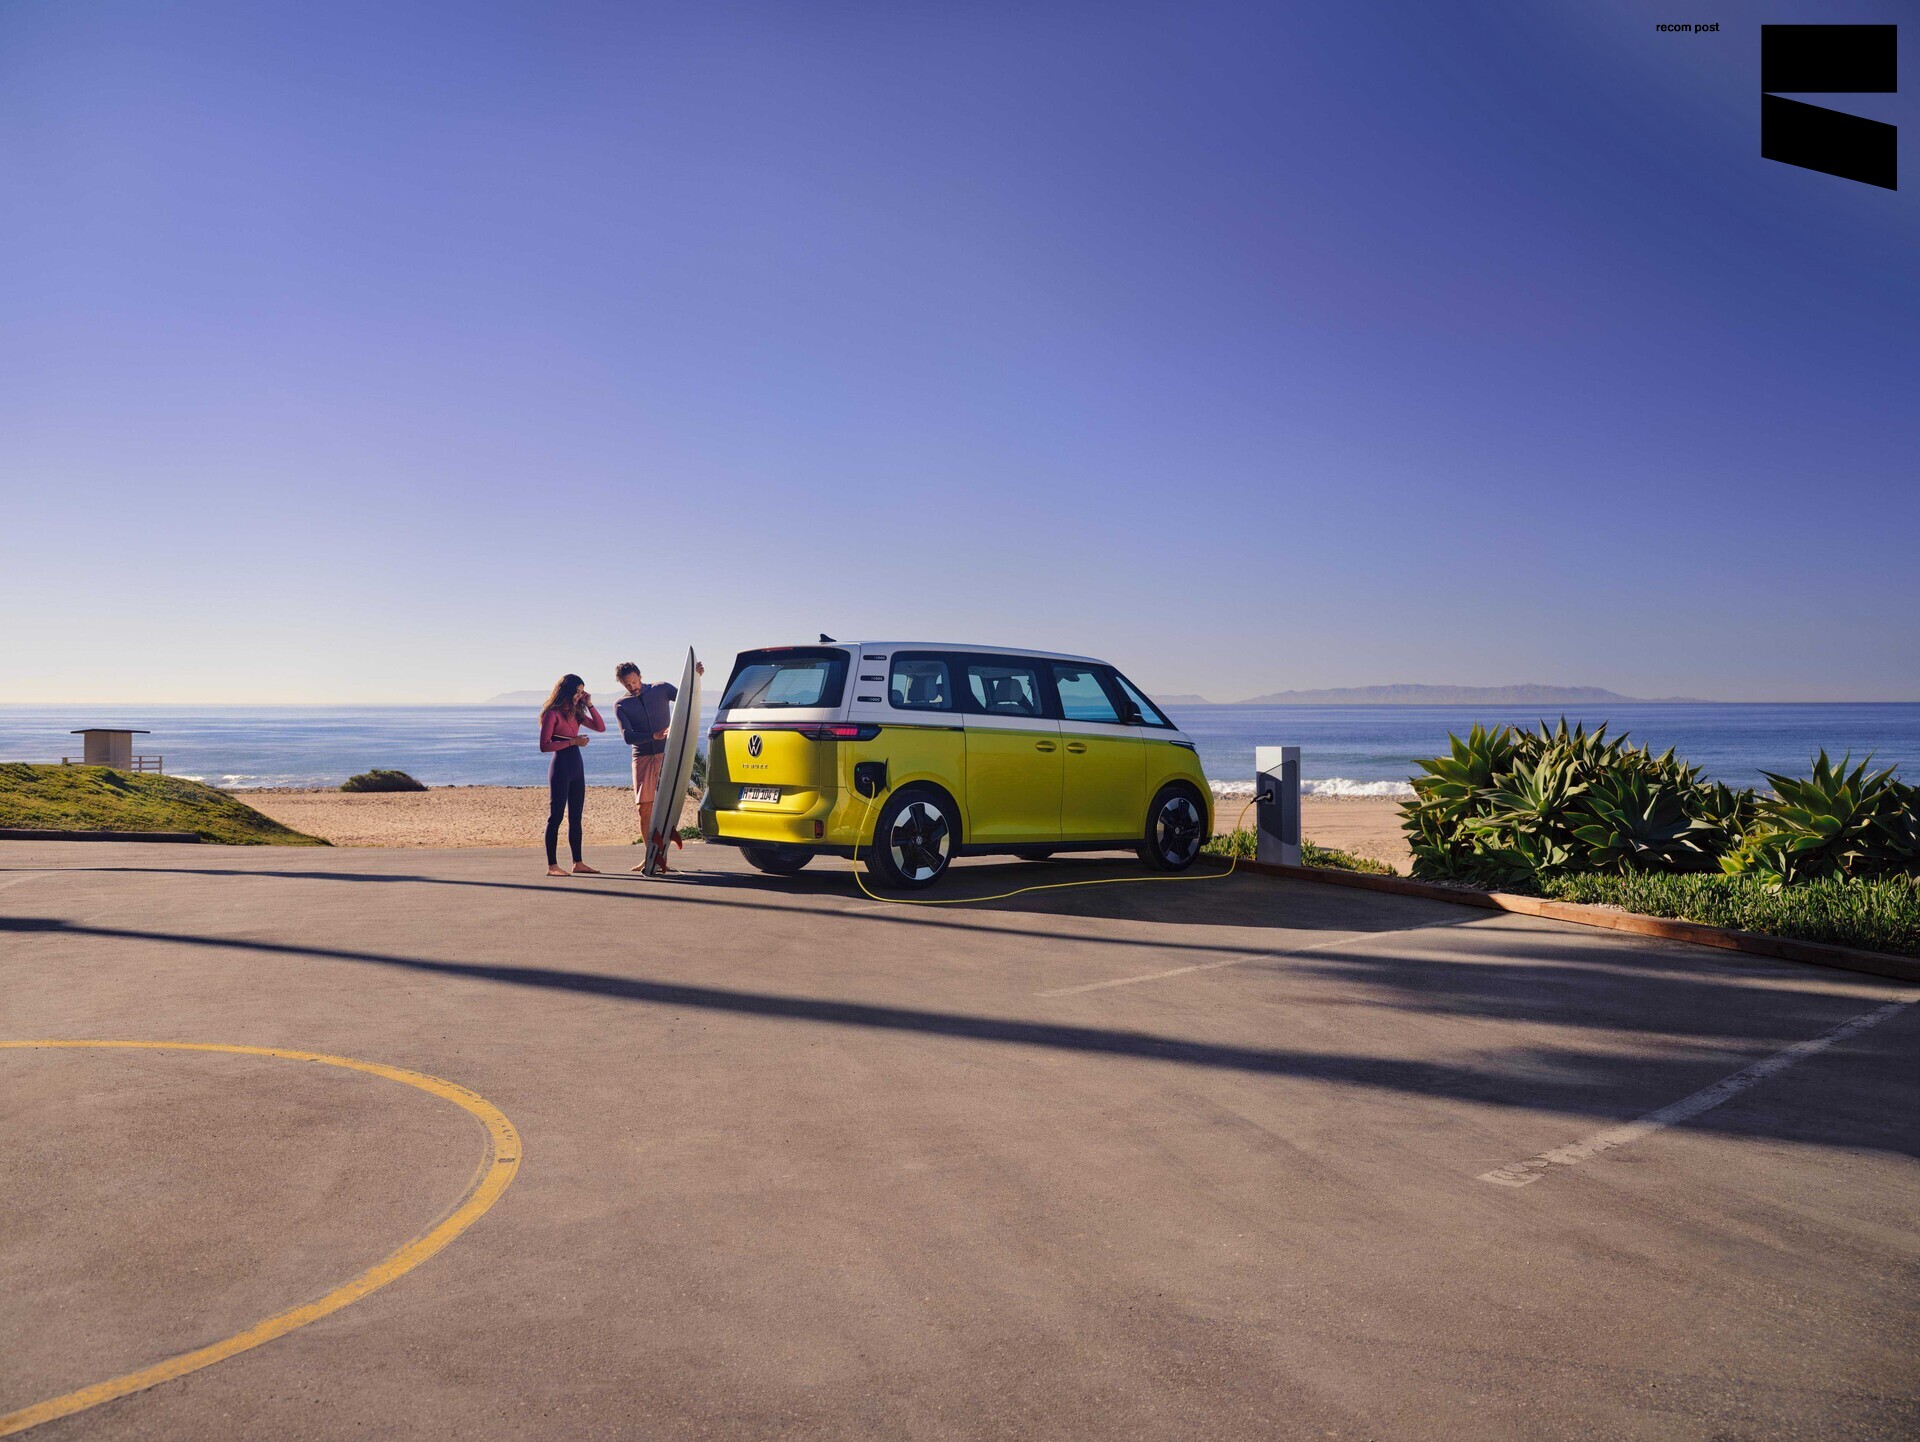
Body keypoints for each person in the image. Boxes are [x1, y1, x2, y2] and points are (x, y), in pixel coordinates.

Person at [614, 658, 703, 874]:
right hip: (642, 757)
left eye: (634, 681)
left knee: (667, 806)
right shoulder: (621, 705)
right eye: (627, 684)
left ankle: (663, 857)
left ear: (640, 676)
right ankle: (650, 857)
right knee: (644, 809)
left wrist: (696, 677)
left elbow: (686, 699)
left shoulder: (661, 689)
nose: (633, 687)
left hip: (666, 754)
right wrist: (652, 736)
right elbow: (628, 737)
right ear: (622, 684)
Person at [538, 674, 604, 877]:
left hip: (576, 768)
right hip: (560, 768)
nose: (579, 695)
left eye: (582, 692)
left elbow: (600, 727)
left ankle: (578, 862)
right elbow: (544, 746)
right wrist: (573, 742)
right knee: (556, 817)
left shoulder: (577, 714)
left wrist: (589, 704)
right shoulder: (552, 714)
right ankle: (552, 866)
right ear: (566, 691)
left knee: (576, 817)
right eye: (577, 691)